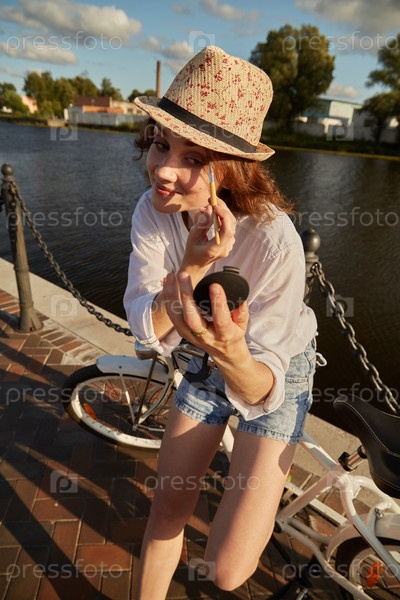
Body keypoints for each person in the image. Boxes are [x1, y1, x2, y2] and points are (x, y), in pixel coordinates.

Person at [124, 45, 318, 598]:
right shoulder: (152, 212)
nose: (164, 170)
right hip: (203, 363)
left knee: (228, 571)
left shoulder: (274, 241)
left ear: (230, 170)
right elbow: (146, 329)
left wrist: (231, 351)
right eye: (161, 144)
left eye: (193, 158)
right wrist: (190, 267)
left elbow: (259, 386)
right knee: (167, 511)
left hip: (273, 374)